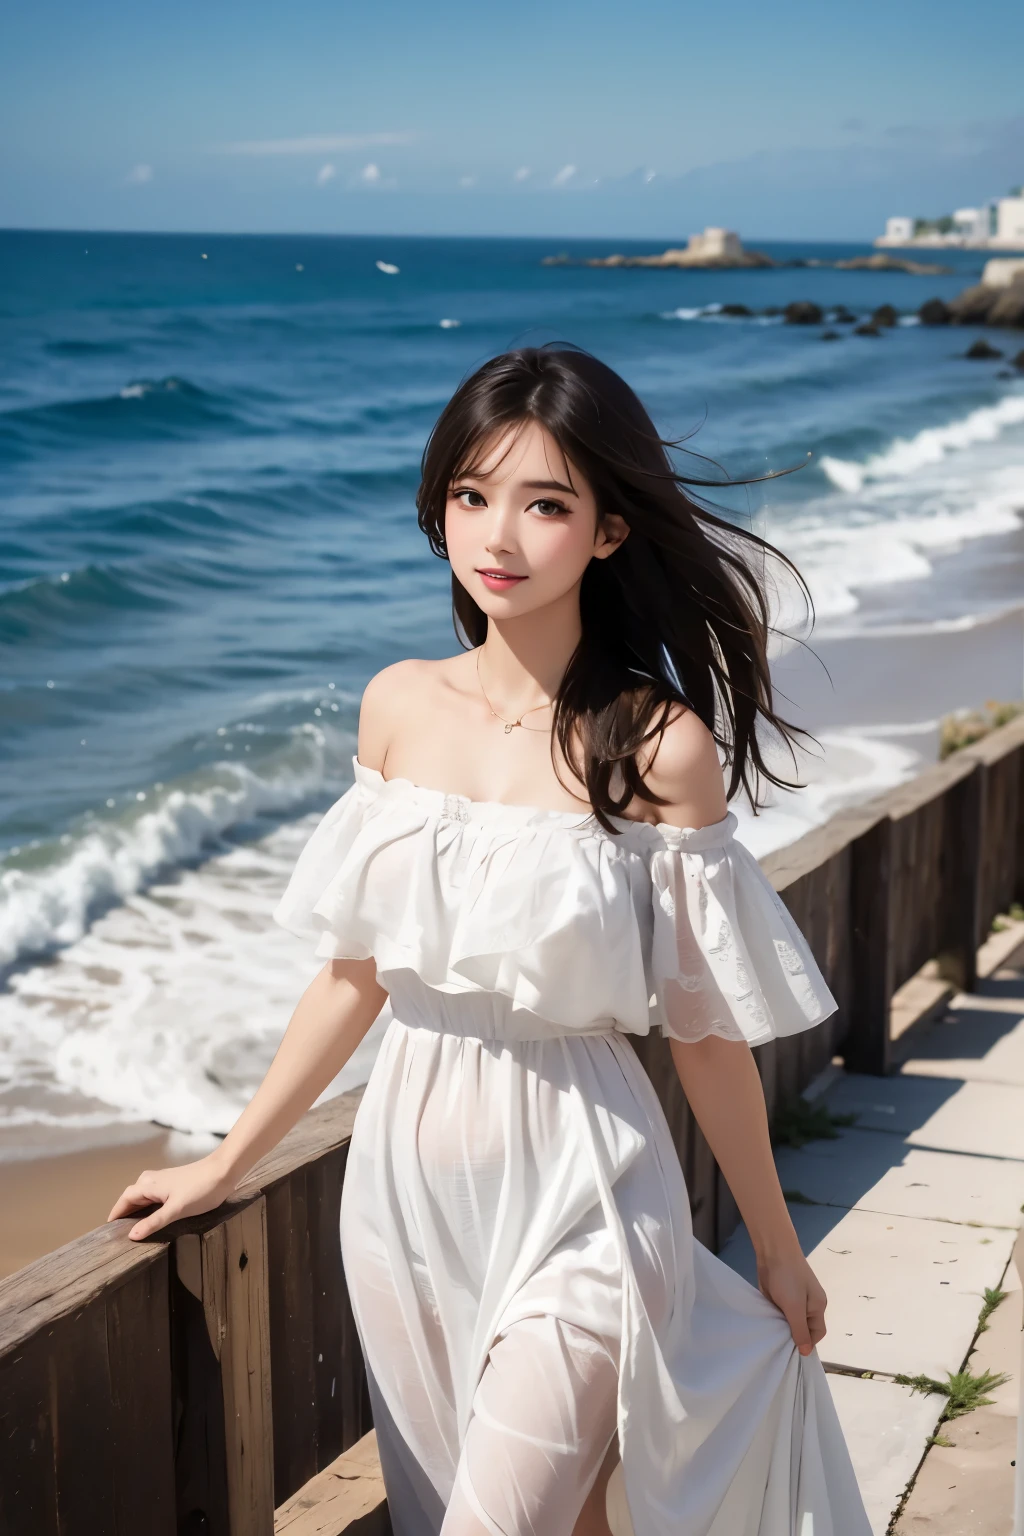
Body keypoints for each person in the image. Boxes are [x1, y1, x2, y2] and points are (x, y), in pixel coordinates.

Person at [110, 346, 871, 1536]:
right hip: (405, 1194)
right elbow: (352, 977)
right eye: (471, 495)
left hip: (588, 1183)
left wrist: (776, 1250)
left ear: (610, 533)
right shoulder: (400, 706)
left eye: (545, 503)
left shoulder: (656, 746)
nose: (497, 535)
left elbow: (706, 1037)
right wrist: (226, 1161)